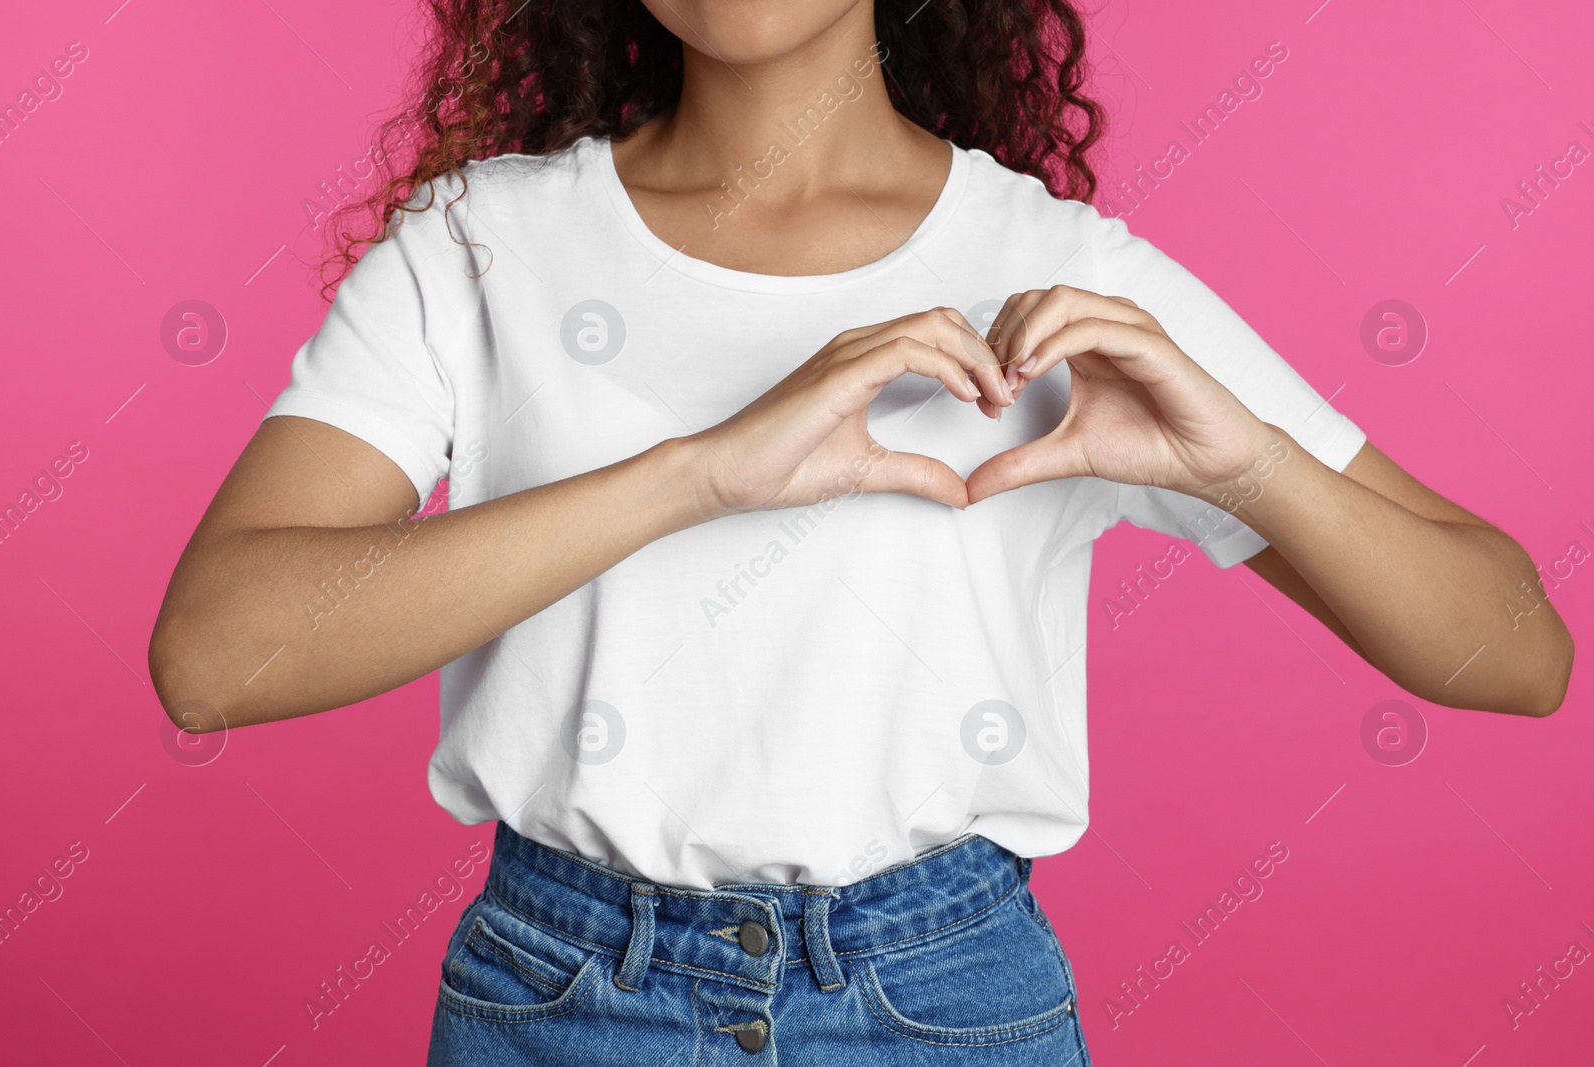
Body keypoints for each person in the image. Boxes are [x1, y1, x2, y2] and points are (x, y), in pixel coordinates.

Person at [147, 1, 1573, 1062]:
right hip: (561, 1002)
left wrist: (1251, 464)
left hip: (941, 1005)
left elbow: (1516, 653)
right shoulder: (478, 248)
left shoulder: (1054, 273)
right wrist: (698, 474)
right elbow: (215, 657)